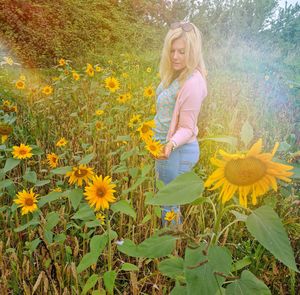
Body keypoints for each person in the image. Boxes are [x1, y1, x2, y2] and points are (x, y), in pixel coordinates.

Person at [154, 21, 207, 226]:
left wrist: (170, 144)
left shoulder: (193, 82)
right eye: (172, 50)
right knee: (168, 198)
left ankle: (169, 247)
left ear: (193, 52)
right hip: (165, 147)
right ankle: (170, 242)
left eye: (182, 52)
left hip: (177, 150)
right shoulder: (176, 74)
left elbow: (187, 127)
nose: (175, 56)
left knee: (169, 201)